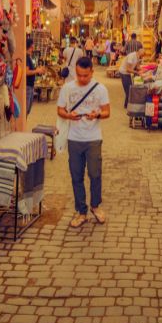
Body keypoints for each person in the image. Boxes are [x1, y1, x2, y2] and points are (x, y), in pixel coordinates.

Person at [57, 57, 111, 228]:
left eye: (85, 76)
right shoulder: (67, 88)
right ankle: (81, 211)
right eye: (79, 75)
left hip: (93, 138)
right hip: (74, 138)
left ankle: (95, 206)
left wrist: (97, 115)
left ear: (92, 73)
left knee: (95, 174)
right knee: (76, 176)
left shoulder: (100, 89)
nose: (82, 79)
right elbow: (60, 110)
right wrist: (68, 115)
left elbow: (107, 111)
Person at [24, 36, 47, 116]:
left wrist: (38, 70)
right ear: (31, 46)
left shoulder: (28, 57)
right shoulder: (26, 57)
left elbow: (30, 70)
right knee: (26, 110)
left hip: (30, 86)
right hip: (27, 86)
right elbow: (26, 72)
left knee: (28, 109)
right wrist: (37, 70)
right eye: (33, 45)